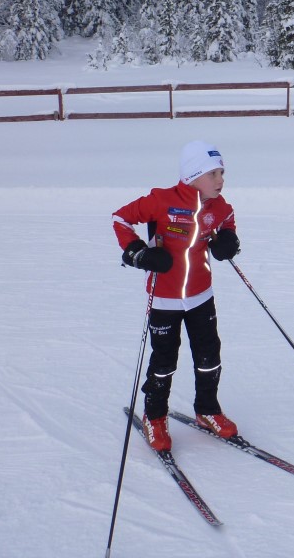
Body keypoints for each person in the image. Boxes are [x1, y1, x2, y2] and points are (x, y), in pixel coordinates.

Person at [112, 140, 242, 451]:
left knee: (209, 356)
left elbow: (227, 223)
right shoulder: (162, 201)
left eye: (222, 173)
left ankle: (207, 410)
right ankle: (155, 417)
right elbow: (120, 219)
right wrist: (139, 254)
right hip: (164, 298)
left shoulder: (219, 207)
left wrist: (228, 240)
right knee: (164, 360)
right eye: (213, 174)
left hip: (201, 295)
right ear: (193, 175)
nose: (221, 180)